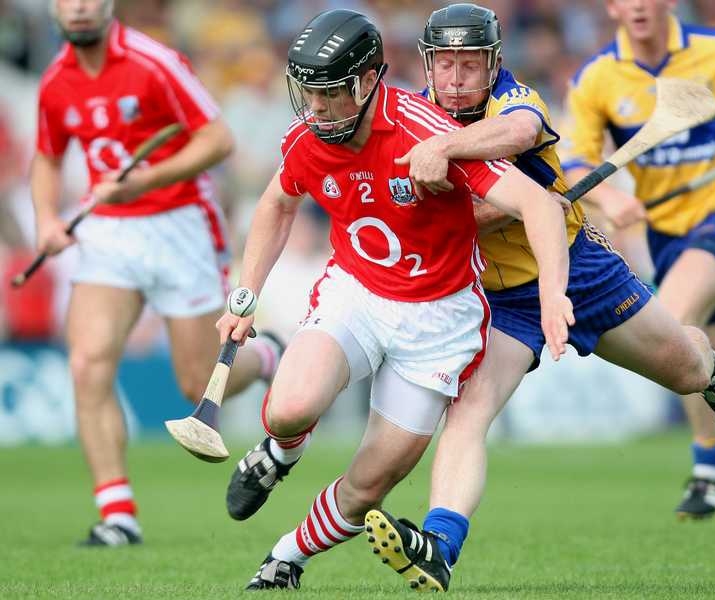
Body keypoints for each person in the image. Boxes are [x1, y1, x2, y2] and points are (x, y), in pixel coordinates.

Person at [360, 4, 715, 591]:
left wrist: (448, 151)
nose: (459, 78)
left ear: (494, 63)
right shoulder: (411, 119)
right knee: (466, 414)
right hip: (498, 300)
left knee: (687, 369)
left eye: (472, 64)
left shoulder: (517, 103)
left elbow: (518, 135)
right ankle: (441, 544)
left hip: (577, 271)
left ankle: (711, 364)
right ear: (428, 65)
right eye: (447, 65)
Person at [216, 8, 579, 590]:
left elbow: (536, 204)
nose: (313, 108)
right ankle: (280, 453)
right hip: (356, 294)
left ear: (365, 83)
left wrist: (553, 294)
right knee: (290, 407)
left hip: (439, 321)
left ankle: (287, 556)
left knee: (368, 486)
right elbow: (276, 204)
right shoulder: (308, 137)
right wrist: (245, 295)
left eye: (327, 94)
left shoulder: (429, 131)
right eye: (306, 93)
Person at [32, 0, 282, 546]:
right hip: (109, 233)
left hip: (180, 225)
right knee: (86, 363)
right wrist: (48, 218)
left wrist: (143, 183)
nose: (78, 7)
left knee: (195, 381)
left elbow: (218, 140)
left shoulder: (154, 62)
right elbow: (47, 156)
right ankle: (117, 514)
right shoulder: (55, 82)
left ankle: (267, 356)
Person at [560, 0, 715, 526]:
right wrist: (609, 199)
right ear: (612, 6)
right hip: (668, 233)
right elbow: (575, 157)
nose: (640, 4)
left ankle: (708, 465)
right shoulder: (597, 78)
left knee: (673, 322)